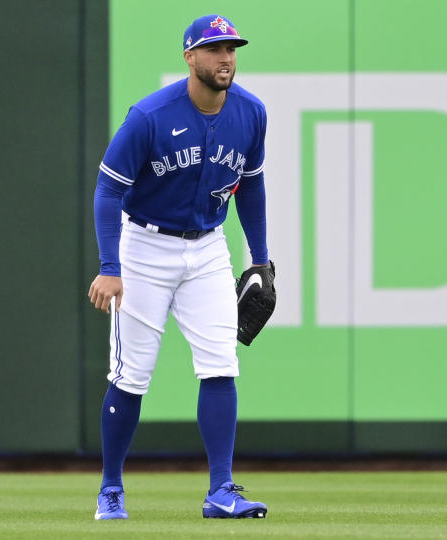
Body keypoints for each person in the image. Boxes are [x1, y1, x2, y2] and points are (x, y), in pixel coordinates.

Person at [87, 14, 269, 520]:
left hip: (209, 247)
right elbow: (108, 190)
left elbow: (250, 186)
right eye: (214, 49)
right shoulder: (149, 116)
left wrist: (261, 258)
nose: (226, 58)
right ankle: (111, 488)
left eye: (231, 48)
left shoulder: (251, 113)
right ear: (190, 57)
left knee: (220, 364)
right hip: (144, 247)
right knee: (131, 376)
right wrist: (110, 265)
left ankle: (221, 491)